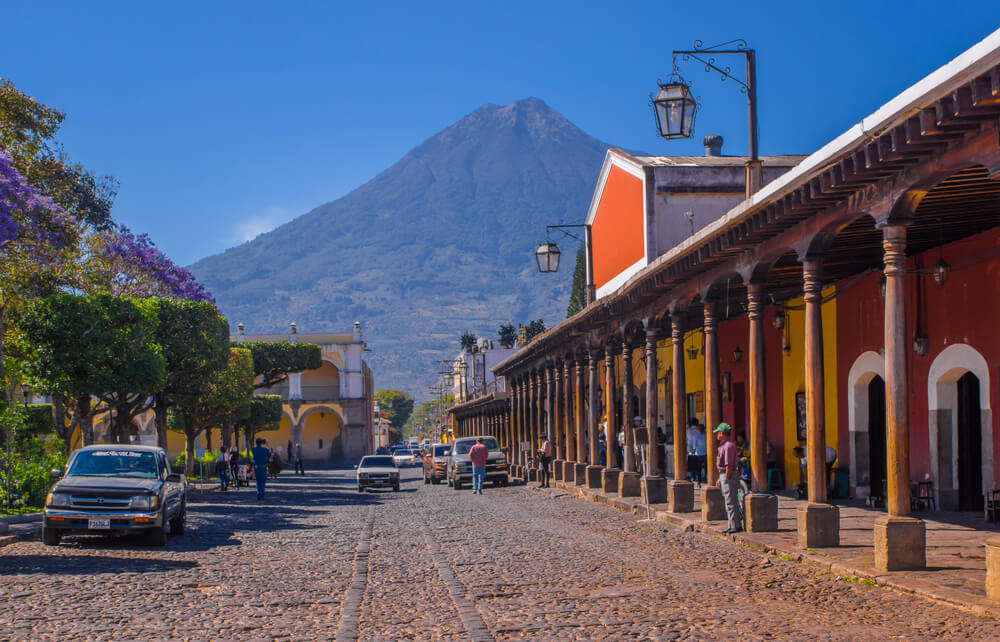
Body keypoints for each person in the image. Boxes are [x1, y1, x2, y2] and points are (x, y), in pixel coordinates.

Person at [714, 422, 744, 534]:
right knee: (728, 500)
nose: (717, 434)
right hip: (724, 474)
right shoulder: (723, 445)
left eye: (718, 432)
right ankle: (732, 524)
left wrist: (725, 478)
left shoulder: (728, 446)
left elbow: (729, 466)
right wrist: (719, 478)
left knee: (731, 500)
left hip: (729, 475)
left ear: (722, 433)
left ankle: (735, 525)